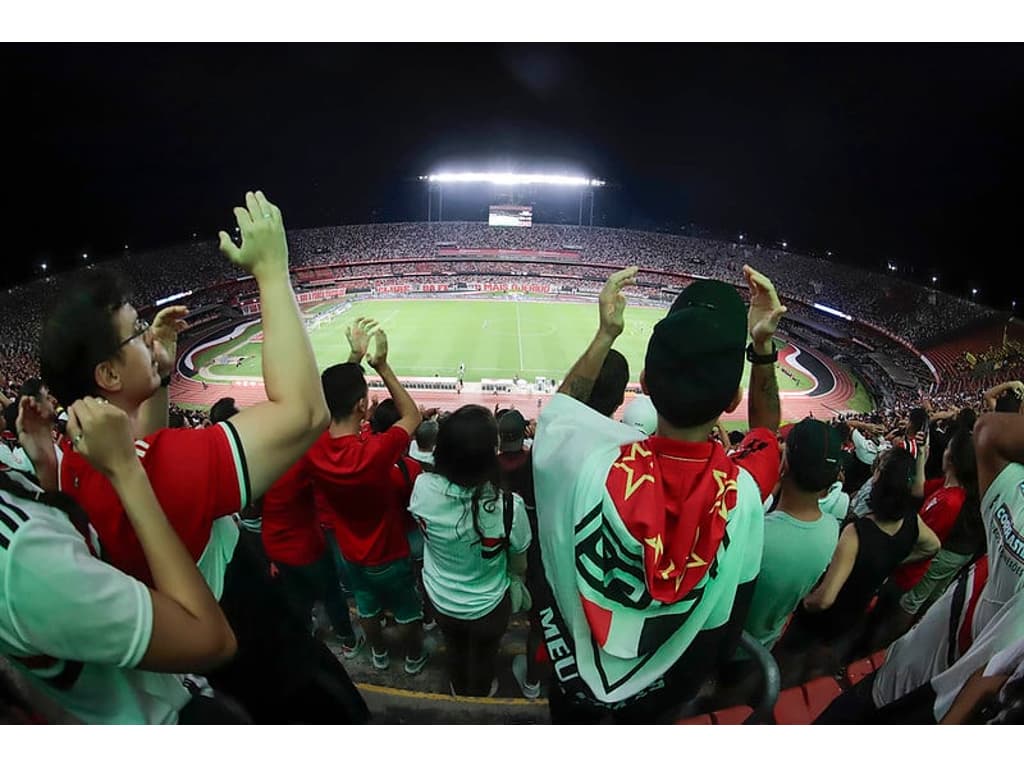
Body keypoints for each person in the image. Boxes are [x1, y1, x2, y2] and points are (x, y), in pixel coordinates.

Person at [26, 191, 366, 723]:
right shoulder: (164, 466)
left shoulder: (76, 457)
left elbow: (146, 456)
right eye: (135, 331)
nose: (148, 335)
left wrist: (156, 375)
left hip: (208, 662)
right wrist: (274, 269)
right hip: (258, 637)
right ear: (109, 376)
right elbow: (304, 413)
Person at [532, 265, 785, 723]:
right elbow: (765, 436)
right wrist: (762, 347)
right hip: (662, 699)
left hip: (572, 684)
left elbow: (561, 413)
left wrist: (606, 333)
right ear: (733, 401)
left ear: (644, 383)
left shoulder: (582, 458)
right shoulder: (744, 492)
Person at [0, 397, 237, 724]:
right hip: (170, 715)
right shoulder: (21, 557)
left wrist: (46, 467)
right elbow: (210, 640)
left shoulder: (19, 527)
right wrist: (126, 467)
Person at [306, 321, 427, 675]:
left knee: (367, 607)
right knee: (407, 611)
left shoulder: (312, 446)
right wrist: (381, 365)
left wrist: (353, 359)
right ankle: (414, 657)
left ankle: (377, 654)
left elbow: (331, 408)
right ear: (363, 406)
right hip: (388, 552)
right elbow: (412, 416)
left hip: (349, 551)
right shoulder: (374, 451)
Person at [780, 448, 940, 679]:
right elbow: (932, 546)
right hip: (855, 613)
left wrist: (803, 602)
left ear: (881, 481)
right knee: (818, 667)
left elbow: (825, 599)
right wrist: (894, 559)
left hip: (822, 617)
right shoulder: (912, 522)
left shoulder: (857, 533)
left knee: (789, 663)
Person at [410, 405, 531, 696]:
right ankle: (480, 688)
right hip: (489, 604)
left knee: (454, 648)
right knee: (486, 653)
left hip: (439, 598)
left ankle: (459, 685)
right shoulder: (508, 506)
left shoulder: (422, 488)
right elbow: (520, 564)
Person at [743, 419, 842, 652]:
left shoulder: (757, 534)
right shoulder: (832, 528)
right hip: (766, 641)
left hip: (727, 640)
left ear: (784, 463)